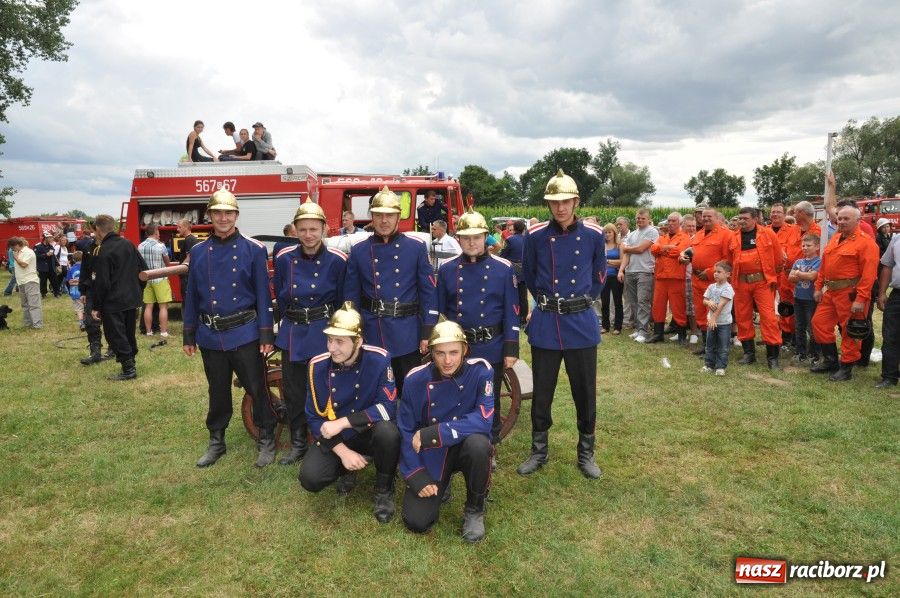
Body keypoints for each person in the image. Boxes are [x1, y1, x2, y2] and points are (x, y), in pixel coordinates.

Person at [518, 169, 606, 480]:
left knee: (585, 392)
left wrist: (578, 302)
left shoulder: (594, 235)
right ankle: (538, 450)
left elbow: (599, 277)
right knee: (542, 392)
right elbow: (529, 272)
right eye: (555, 202)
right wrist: (548, 302)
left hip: (580, 323)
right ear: (549, 204)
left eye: (566, 201)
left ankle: (586, 451)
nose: (561, 208)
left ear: (576, 202)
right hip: (546, 323)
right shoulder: (537, 235)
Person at [183, 190, 277, 468]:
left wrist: (265, 334)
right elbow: (192, 297)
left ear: (236, 215)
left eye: (228, 213)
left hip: (245, 332)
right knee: (217, 389)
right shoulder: (198, 252)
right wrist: (189, 334)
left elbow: (263, 294)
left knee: (257, 388)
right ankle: (216, 440)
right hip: (211, 335)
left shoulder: (253, 249)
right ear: (209, 216)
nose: (223, 218)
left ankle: (267, 438)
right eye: (218, 213)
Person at [299, 301, 401, 523]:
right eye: (329, 340)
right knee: (310, 478)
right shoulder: (317, 366)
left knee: (388, 433)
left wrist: (344, 421)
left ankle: (384, 489)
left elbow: (388, 407)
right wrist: (343, 452)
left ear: (359, 341)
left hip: (368, 431)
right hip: (338, 437)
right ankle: (346, 469)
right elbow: (314, 417)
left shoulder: (379, 359)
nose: (331, 348)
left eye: (340, 342)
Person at [398, 320, 494, 542]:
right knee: (417, 522)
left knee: (479, 445)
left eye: (453, 352)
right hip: (432, 454)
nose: (447, 360)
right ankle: (443, 482)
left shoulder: (481, 373)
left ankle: (474, 510)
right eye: (440, 353)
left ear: (465, 350)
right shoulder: (415, 379)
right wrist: (416, 476)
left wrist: (434, 433)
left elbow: (484, 420)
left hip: (464, 447)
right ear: (431, 352)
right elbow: (405, 430)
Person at [437, 209, 519, 455]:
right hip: (458, 348)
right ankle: (455, 442)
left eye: (477, 237)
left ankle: (489, 446)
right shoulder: (448, 269)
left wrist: (511, 347)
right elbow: (439, 308)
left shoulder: (503, 268)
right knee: (454, 397)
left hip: (490, 346)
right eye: (466, 237)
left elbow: (512, 311)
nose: (471, 242)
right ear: (458, 239)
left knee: (489, 399)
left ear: (486, 238)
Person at [274, 199, 348, 465]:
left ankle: (325, 439)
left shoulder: (338, 261)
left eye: (314, 229)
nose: (308, 235)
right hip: (294, 331)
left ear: (324, 229)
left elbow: (342, 303)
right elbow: (281, 297)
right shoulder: (283, 258)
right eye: (303, 229)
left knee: (325, 389)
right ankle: (297, 442)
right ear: (295, 230)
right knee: (294, 391)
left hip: (323, 331)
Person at [344, 186, 438, 392]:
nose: (384, 221)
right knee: (375, 388)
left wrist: (427, 331)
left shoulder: (416, 247)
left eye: (389, 216)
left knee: (410, 388)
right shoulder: (359, 251)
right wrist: (353, 332)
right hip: (373, 331)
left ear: (398, 217)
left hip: (407, 332)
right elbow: (351, 297)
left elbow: (428, 292)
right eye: (378, 215)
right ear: (372, 217)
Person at [810, 206, 880, 381]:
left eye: (846, 219)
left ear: (858, 220)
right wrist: (818, 287)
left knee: (851, 331)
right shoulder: (835, 239)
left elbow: (869, 274)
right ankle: (831, 361)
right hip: (831, 292)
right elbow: (824, 266)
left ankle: (846, 368)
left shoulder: (866, 243)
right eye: (839, 218)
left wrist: (861, 299)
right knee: (819, 323)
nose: (841, 221)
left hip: (851, 293)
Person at [727, 207, 785, 370]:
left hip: (762, 283)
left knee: (768, 318)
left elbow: (779, 260)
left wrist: (771, 278)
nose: (742, 221)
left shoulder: (768, 234)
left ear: (755, 219)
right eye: (740, 218)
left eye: (745, 218)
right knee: (743, 316)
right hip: (740, 283)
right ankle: (748, 354)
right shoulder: (734, 237)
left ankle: (772, 357)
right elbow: (729, 259)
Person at [90, 214, 145, 381]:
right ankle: (131, 363)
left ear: (98, 229)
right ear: (112, 227)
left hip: (113, 301)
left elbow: (101, 282)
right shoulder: (128, 244)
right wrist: (136, 291)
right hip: (130, 299)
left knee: (115, 335)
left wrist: (96, 306)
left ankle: (128, 369)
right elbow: (143, 270)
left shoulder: (103, 250)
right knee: (128, 333)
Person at [684, 208, 732, 355]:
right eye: (703, 217)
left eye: (709, 216)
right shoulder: (698, 235)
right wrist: (685, 258)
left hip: (714, 281)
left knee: (714, 312)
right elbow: (692, 253)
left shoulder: (726, 234)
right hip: (697, 278)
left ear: (717, 217)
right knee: (700, 312)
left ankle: (716, 346)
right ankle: (706, 345)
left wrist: (711, 272)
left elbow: (727, 260)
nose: (705, 219)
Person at [646, 212, 691, 344]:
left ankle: (682, 335)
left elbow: (679, 251)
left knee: (678, 306)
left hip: (676, 278)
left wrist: (662, 250)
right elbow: (653, 250)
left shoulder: (685, 237)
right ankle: (658, 333)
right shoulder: (663, 237)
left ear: (680, 223)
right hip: (660, 276)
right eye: (669, 221)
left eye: (673, 221)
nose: (670, 224)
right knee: (658, 306)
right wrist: (667, 248)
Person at [619, 209, 659, 342]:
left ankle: (643, 331)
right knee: (633, 302)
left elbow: (641, 248)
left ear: (648, 219)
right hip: (630, 271)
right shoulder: (633, 234)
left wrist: (626, 248)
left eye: (643, 218)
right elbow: (627, 255)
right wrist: (621, 270)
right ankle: (638, 329)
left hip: (645, 271)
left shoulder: (652, 231)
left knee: (643, 301)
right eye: (638, 218)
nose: (640, 220)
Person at [77, 224, 114, 365]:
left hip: (110, 290)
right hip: (92, 289)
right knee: (91, 322)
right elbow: (84, 270)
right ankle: (95, 352)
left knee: (110, 321)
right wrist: (83, 290)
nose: (96, 232)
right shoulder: (89, 248)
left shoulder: (112, 246)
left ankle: (113, 348)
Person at [768, 203, 799, 349]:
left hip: (785, 275)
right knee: (769, 306)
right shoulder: (764, 231)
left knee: (786, 306)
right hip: (769, 275)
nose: (775, 215)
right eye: (773, 212)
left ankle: (788, 337)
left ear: (784, 214)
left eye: (778, 212)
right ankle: (772, 334)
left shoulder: (793, 230)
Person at [788, 233, 821, 363]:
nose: (805, 247)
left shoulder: (819, 261)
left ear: (817, 246)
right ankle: (800, 352)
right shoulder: (798, 261)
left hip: (811, 300)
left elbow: (813, 276)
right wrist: (803, 274)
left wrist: (798, 273)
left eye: (809, 245)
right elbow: (790, 278)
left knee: (812, 327)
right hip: (798, 298)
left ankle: (814, 354)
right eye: (803, 245)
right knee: (799, 326)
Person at [138, 224, 172, 337]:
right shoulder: (161, 246)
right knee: (163, 306)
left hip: (147, 278)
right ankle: (163, 332)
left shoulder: (140, 246)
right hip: (160, 278)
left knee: (148, 306)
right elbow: (167, 263)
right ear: (156, 232)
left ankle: (148, 331)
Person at [875, 231, 900, 388]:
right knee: (890, 335)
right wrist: (882, 292)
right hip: (897, 294)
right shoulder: (897, 238)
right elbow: (887, 266)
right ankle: (889, 376)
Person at [701, 261, 735, 376]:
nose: (715, 274)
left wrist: (713, 318)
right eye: (715, 271)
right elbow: (704, 300)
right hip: (712, 321)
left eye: (719, 272)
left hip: (723, 323)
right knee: (710, 345)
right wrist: (708, 302)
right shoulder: (711, 287)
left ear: (728, 274)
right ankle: (709, 364)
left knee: (723, 346)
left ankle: (721, 367)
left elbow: (721, 305)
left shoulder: (728, 288)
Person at [8, 237, 42, 328]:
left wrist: (16, 258)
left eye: (12, 247)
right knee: (25, 305)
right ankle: (28, 324)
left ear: (17, 245)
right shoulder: (18, 252)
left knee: (33, 304)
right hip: (21, 281)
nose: (12, 250)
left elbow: (24, 265)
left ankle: (37, 324)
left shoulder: (28, 252)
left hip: (30, 280)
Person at [500, 219, 527, 325]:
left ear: (514, 229)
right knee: (523, 297)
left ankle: (512, 318)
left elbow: (503, 255)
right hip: (525, 271)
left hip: (512, 272)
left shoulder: (510, 240)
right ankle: (523, 320)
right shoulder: (528, 239)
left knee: (510, 296)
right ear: (524, 228)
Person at [679, 215, 700, 344]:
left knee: (692, 306)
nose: (692, 228)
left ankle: (694, 332)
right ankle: (681, 330)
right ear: (683, 226)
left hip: (692, 276)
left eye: (693, 226)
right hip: (679, 276)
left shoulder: (697, 239)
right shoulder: (680, 238)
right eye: (689, 226)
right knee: (682, 305)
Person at [600, 223, 623, 334]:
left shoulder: (620, 246)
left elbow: (622, 262)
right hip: (603, 277)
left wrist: (608, 261)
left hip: (615, 276)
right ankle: (605, 326)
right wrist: (614, 262)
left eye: (610, 232)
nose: (607, 234)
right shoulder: (601, 245)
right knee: (604, 302)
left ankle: (618, 327)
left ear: (614, 233)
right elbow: (599, 262)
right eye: (605, 232)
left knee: (617, 301)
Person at [175, 218, 199, 297]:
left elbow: (189, 258)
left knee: (187, 299)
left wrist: (180, 269)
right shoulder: (191, 239)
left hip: (186, 276)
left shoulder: (189, 240)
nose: (177, 229)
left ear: (186, 227)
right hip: (189, 275)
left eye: (179, 227)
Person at [34, 233, 59, 298]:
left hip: (51, 267)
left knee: (54, 281)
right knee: (43, 281)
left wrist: (57, 265)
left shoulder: (51, 246)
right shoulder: (38, 246)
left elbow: (53, 256)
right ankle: (43, 294)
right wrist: (45, 255)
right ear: (45, 238)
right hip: (43, 267)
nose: (51, 239)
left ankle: (56, 293)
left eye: (51, 237)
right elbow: (35, 257)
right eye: (50, 238)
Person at [66, 250, 84, 330]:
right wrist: (80, 282)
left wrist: (75, 281)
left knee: (79, 308)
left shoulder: (71, 269)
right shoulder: (86, 268)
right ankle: (88, 321)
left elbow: (69, 282)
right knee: (86, 307)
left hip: (75, 292)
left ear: (73, 259)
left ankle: (81, 323)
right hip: (84, 291)